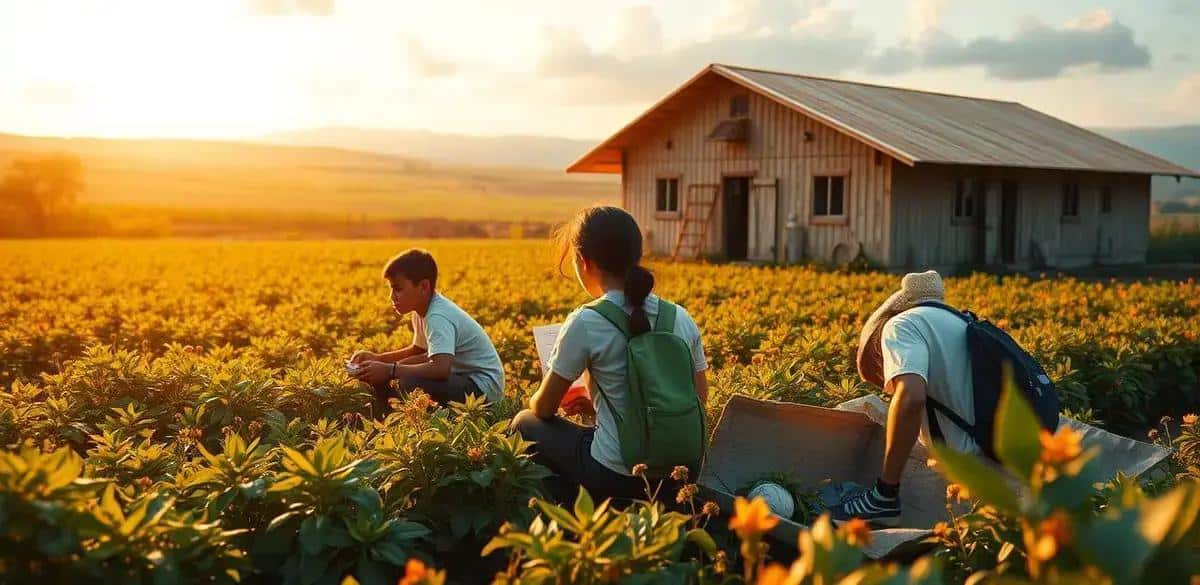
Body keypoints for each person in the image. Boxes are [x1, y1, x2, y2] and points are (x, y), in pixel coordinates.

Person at [511, 206, 709, 503]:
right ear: (637, 255)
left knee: (524, 422)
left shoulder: (587, 321)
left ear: (583, 261)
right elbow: (700, 398)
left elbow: (545, 407)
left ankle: (571, 515)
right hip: (683, 472)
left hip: (619, 475)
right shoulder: (680, 317)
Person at [829, 270, 977, 527]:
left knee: (897, 404)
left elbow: (911, 399)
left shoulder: (901, 324)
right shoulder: (961, 321)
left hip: (963, 455)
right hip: (990, 442)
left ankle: (882, 500)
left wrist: (886, 490)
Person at [349, 248, 505, 410]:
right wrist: (378, 359)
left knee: (409, 382)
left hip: (483, 390)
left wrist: (390, 369)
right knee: (394, 376)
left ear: (424, 286)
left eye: (398, 289)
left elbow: (440, 368)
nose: (392, 296)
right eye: (391, 289)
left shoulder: (437, 316)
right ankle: (384, 418)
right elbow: (419, 351)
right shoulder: (421, 310)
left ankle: (431, 426)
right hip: (464, 379)